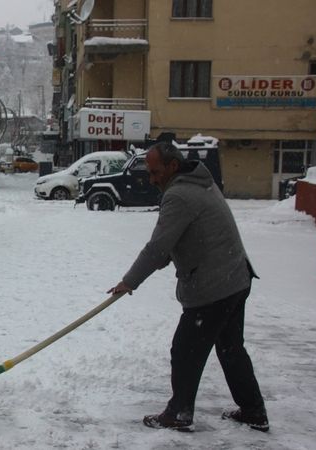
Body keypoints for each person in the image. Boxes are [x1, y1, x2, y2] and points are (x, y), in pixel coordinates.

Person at [108, 142, 268, 432]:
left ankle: (179, 413)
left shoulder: (179, 195)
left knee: (185, 351)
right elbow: (175, 242)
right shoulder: (200, 182)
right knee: (231, 349)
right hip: (235, 278)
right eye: (148, 172)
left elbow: (158, 247)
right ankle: (253, 410)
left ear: (172, 166)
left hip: (214, 286)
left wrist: (129, 281)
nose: (151, 179)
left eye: (155, 172)